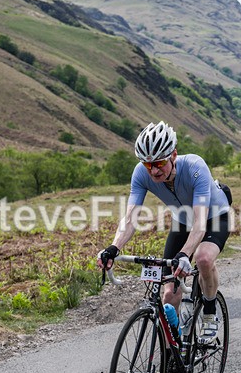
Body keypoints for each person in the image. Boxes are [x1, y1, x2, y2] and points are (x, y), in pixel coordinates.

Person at [99, 121, 232, 351]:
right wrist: (114, 247)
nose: (154, 171)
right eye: (148, 164)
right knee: (169, 292)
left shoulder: (195, 167)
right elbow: (130, 219)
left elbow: (200, 224)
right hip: (183, 220)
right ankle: (173, 351)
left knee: (203, 258)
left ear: (174, 155)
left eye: (159, 162)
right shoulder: (141, 173)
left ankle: (209, 312)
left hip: (214, 217)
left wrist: (184, 254)